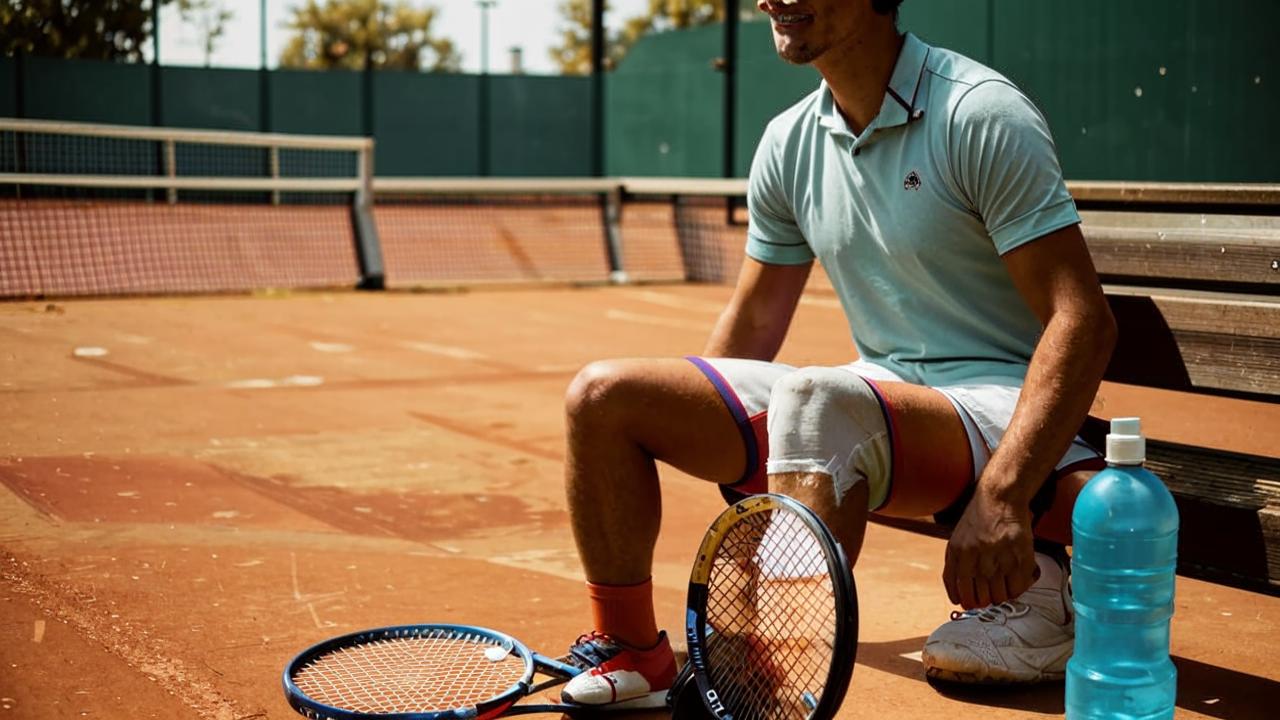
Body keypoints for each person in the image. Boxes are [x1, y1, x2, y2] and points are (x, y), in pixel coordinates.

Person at [557, 0, 1117, 707]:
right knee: (602, 396)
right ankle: (635, 652)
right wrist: (710, 426)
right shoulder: (789, 140)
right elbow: (755, 319)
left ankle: (765, 694)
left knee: (817, 399)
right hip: (884, 399)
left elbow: (1082, 321)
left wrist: (1003, 495)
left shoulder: (978, 113)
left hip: (1006, 407)